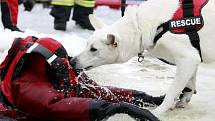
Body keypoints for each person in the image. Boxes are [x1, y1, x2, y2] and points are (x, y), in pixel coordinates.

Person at [0, 36, 164, 121]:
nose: (68, 69)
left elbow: (97, 91)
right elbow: (56, 106)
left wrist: (147, 99)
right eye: (63, 66)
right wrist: (115, 108)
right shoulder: (27, 87)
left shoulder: (58, 69)